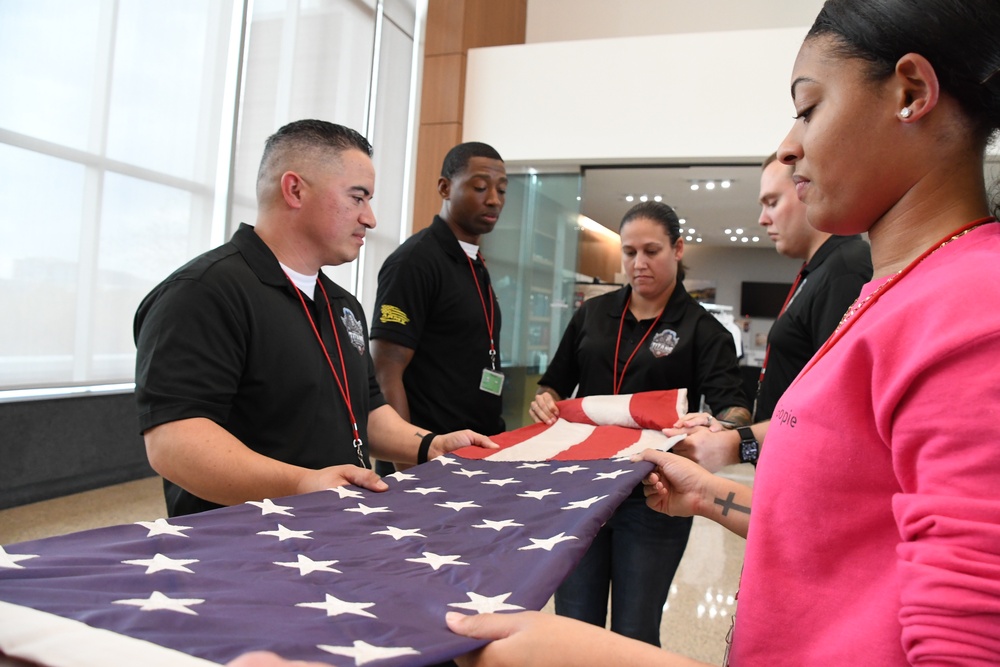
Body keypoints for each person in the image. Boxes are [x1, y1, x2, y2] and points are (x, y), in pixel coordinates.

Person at [448, 0, 1000, 664]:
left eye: (807, 108)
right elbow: (843, 519)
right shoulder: (901, 293)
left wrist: (589, 653)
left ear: (910, 93)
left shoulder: (972, 308)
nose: (790, 145)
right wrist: (710, 493)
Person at [133, 120, 495, 517]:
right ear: (295, 190)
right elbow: (174, 444)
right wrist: (303, 484)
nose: (370, 219)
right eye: (357, 198)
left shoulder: (342, 305)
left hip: (336, 527)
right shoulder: (202, 292)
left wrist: (430, 445)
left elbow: (368, 413)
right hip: (246, 543)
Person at [529, 200, 751, 646]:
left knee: (634, 628)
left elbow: (737, 411)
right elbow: (554, 383)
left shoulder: (704, 331)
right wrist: (546, 400)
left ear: (678, 249)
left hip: (655, 495)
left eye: (651, 251)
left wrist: (714, 423)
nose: (639, 263)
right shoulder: (592, 315)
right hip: (581, 486)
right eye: (629, 252)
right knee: (574, 624)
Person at [670, 152, 871, 472]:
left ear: (808, 188)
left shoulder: (845, 269)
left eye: (772, 202)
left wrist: (737, 444)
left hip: (807, 474)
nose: (763, 218)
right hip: (785, 466)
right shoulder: (818, 271)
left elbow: (833, 410)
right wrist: (732, 431)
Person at [371, 142, 507, 475]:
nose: (494, 199)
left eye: (502, 190)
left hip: (477, 452)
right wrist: (407, 464)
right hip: (428, 462)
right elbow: (386, 369)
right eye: (479, 187)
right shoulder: (415, 261)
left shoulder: (473, 263)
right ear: (445, 188)